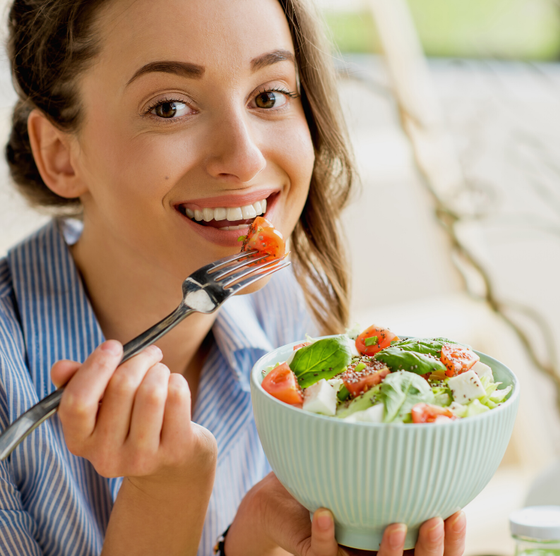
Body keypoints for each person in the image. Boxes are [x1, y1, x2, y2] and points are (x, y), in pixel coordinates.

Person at [0, 0, 468, 554]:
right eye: (170, 107)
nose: (244, 159)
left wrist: (252, 536)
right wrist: (165, 494)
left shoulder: (285, 311)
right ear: (60, 155)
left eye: (269, 96)